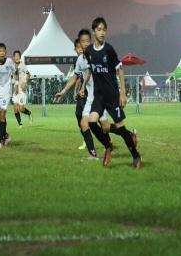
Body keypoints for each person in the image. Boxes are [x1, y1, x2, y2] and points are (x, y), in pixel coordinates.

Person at [81, 17, 140, 169]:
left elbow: (120, 69)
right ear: (94, 32)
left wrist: (122, 93)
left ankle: (135, 155)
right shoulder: (89, 52)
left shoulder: (109, 50)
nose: (102, 33)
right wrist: (83, 86)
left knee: (120, 128)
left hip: (112, 95)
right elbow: (90, 70)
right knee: (92, 122)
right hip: (99, 96)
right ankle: (108, 146)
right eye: (99, 30)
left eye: (104, 30)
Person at [55, 30, 113, 161]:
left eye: (87, 41)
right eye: (83, 42)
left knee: (105, 126)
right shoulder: (80, 60)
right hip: (91, 96)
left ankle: (127, 135)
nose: (85, 44)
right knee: (84, 124)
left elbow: (90, 72)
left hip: (100, 95)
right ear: (79, 44)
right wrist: (63, 91)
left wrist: (82, 87)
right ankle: (93, 154)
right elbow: (75, 76)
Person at [12, 50, 33, 127]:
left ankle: (29, 113)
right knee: (15, 107)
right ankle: (20, 124)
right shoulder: (12, 66)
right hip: (15, 89)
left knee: (21, 109)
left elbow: (28, 74)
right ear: (13, 57)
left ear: (20, 57)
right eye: (15, 56)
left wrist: (25, 82)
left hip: (21, 90)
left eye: (18, 56)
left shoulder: (23, 65)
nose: (17, 57)